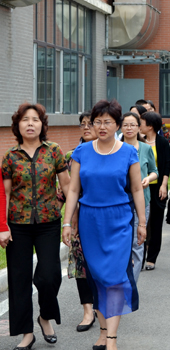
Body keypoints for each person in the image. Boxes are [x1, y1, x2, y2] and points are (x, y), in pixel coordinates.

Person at [62, 99, 147, 350]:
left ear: (117, 125)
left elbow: (136, 189)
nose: (101, 126)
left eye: (107, 122)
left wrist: (142, 223)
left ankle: (112, 338)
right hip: (90, 221)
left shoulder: (128, 152)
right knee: (97, 276)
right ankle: (101, 330)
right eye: (96, 122)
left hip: (119, 220)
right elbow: (73, 190)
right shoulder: (82, 151)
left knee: (115, 277)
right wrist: (67, 223)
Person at [2, 103, 70, 350]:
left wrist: (67, 216)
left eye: (35, 119)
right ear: (17, 125)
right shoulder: (10, 157)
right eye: (25, 120)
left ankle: (45, 316)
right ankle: (26, 334)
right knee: (19, 279)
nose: (30, 123)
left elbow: (67, 186)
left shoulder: (54, 151)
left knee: (49, 275)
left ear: (42, 124)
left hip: (48, 223)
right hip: (17, 225)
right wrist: (3, 227)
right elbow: (5, 194)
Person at [66, 113, 97, 332]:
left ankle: (103, 305)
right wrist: (68, 219)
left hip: (104, 216)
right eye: (82, 124)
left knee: (100, 263)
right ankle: (87, 310)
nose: (86, 127)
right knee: (80, 263)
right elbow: (68, 190)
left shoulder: (112, 152)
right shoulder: (73, 155)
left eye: (90, 124)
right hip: (80, 215)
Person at [120, 112, 158, 283]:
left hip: (142, 201)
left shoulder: (145, 149)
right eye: (125, 125)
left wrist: (148, 179)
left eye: (132, 125)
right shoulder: (115, 148)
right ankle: (120, 281)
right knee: (122, 243)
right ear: (120, 127)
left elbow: (155, 171)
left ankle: (131, 285)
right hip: (120, 202)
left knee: (137, 242)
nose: (129, 128)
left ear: (138, 127)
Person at [141, 111, 170, 271]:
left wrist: (164, 185)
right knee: (142, 222)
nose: (139, 125)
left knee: (156, 222)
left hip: (157, 187)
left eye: (141, 122)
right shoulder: (139, 141)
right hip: (141, 187)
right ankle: (140, 256)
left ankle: (152, 257)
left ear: (150, 126)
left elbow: (166, 165)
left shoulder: (162, 142)